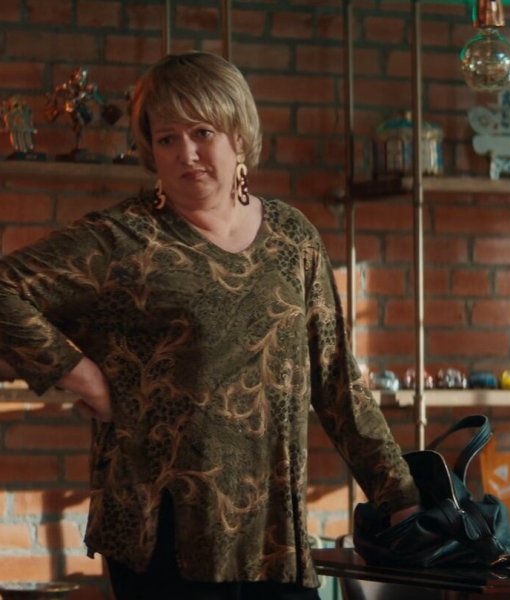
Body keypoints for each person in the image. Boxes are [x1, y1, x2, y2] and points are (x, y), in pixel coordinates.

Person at [0, 52, 419, 600]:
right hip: (163, 534)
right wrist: (85, 378)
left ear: (238, 136)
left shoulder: (293, 238)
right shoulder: (121, 238)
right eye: (167, 138)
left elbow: (336, 377)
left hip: (275, 535)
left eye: (203, 132)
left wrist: (400, 495)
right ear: (151, 149)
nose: (187, 153)